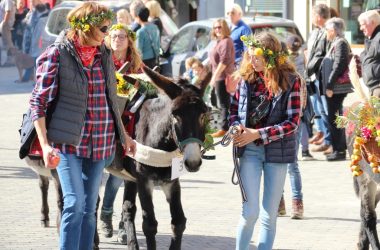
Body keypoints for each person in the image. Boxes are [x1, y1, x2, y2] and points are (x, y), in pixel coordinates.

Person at [29, 3, 136, 249]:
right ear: (85, 27)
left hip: (101, 143)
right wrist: (45, 146)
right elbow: (38, 101)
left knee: (89, 209)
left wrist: (124, 135)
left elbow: (111, 97)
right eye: (104, 28)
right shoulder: (57, 54)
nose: (108, 33)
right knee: (74, 203)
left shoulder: (104, 54)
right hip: (67, 144)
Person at [231, 32, 301, 250]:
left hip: (277, 153)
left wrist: (258, 134)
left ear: (271, 56)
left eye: (257, 56)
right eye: (250, 55)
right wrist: (235, 127)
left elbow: (293, 123)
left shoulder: (292, 81)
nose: (252, 61)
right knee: (249, 212)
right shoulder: (245, 80)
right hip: (249, 151)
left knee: (269, 215)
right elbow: (233, 112)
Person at [99, 23, 143, 241]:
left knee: (129, 177)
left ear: (129, 40)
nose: (117, 39)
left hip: (130, 127)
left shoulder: (136, 66)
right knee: (113, 176)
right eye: (114, 36)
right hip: (105, 127)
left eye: (122, 36)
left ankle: (125, 223)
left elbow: (146, 92)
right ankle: (106, 215)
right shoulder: (102, 61)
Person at [323, 17, 353, 161]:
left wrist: (329, 85)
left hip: (336, 88)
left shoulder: (340, 43)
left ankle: (339, 150)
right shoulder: (335, 42)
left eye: (327, 30)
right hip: (334, 87)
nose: (326, 33)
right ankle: (338, 148)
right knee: (335, 117)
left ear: (333, 30)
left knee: (334, 118)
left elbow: (339, 64)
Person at [305, 4, 332, 154]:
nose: (312, 18)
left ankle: (329, 140)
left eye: (313, 15)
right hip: (312, 75)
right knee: (317, 108)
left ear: (318, 16)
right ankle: (323, 134)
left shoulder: (328, 31)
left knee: (326, 109)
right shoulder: (315, 32)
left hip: (321, 75)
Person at [208, 18, 235, 138]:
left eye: (219, 27)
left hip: (223, 77)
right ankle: (226, 126)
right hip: (219, 76)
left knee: (224, 104)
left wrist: (215, 76)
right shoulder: (219, 41)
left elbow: (224, 61)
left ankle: (224, 128)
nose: (217, 30)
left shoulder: (226, 41)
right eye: (215, 27)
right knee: (222, 103)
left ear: (225, 27)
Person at [17, 2, 49, 83]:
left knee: (36, 62)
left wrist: (26, 47)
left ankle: (37, 81)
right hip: (43, 43)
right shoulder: (48, 15)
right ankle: (28, 77)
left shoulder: (34, 17)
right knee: (35, 61)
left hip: (36, 44)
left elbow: (28, 31)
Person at [358, 10, 380, 97]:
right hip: (373, 88)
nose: (360, 28)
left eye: (363, 24)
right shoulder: (370, 39)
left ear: (373, 23)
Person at [0, 0, 16, 66]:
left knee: (5, 43)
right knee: (6, 43)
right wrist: (4, 23)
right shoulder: (6, 1)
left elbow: (8, 12)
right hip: (4, 25)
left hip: (4, 25)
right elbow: (7, 12)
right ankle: (4, 61)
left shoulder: (7, 1)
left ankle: (5, 61)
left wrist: (4, 23)